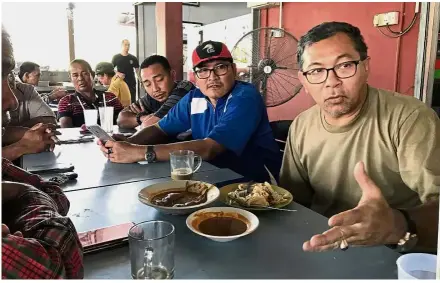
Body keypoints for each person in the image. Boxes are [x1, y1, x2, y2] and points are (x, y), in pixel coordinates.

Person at [279, 22, 439, 253]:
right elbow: (294, 201)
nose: (331, 81)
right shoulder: (301, 125)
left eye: (344, 65)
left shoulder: (410, 118)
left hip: (393, 249)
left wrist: (396, 224)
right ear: (303, 81)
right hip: (321, 245)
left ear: (366, 67)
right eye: (316, 71)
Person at [99, 41, 282, 183]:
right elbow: (160, 129)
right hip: (214, 179)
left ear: (233, 70)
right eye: (203, 70)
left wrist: (139, 152)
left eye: (220, 67)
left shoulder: (245, 97)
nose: (212, 77)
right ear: (195, 76)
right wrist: (127, 143)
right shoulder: (195, 98)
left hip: (256, 185)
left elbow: (210, 148)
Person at [2, 26, 84, 279]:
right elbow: (54, 263)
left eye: (7, 76)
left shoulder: (111, 96)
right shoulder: (67, 100)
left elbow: (54, 192)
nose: (12, 101)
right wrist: (26, 191)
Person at [117, 55, 195, 129]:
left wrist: (149, 120)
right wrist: (141, 118)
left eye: (159, 80)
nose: (155, 89)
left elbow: (150, 124)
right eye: (148, 84)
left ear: (172, 75)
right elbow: (121, 119)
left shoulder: (184, 88)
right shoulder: (151, 98)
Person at [57, 59, 123, 128]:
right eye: (75, 75)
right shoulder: (66, 102)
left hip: (110, 138)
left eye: (84, 73)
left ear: (93, 75)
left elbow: (122, 122)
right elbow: (67, 132)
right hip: (81, 139)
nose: (80, 78)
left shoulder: (110, 98)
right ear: (70, 78)